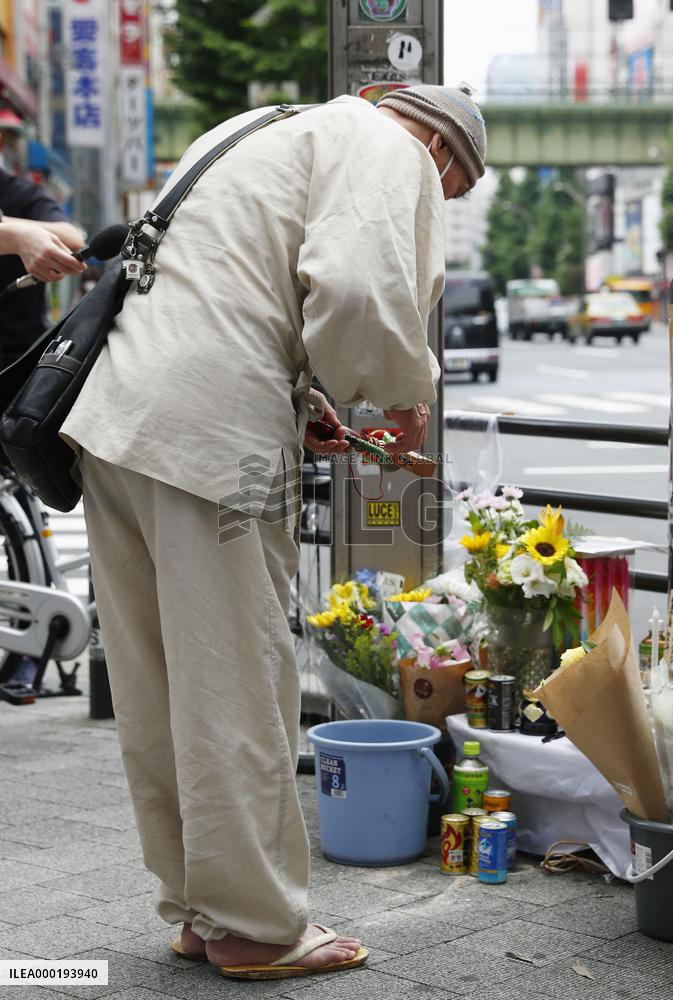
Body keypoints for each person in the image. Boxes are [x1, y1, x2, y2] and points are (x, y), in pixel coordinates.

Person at [59, 84, 487, 980]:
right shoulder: (389, 145)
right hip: (214, 441)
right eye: (446, 195)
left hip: (119, 419)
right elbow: (361, 288)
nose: (434, 201)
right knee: (236, 674)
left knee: (156, 678)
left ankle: (198, 906)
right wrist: (399, 395)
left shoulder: (256, 130)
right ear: (442, 155)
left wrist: (302, 399)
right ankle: (254, 924)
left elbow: (223, 287)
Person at [0, 169, 85, 368]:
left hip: (21, 357)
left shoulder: (22, 193)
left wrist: (17, 229)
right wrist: (16, 237)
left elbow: (73, 238)